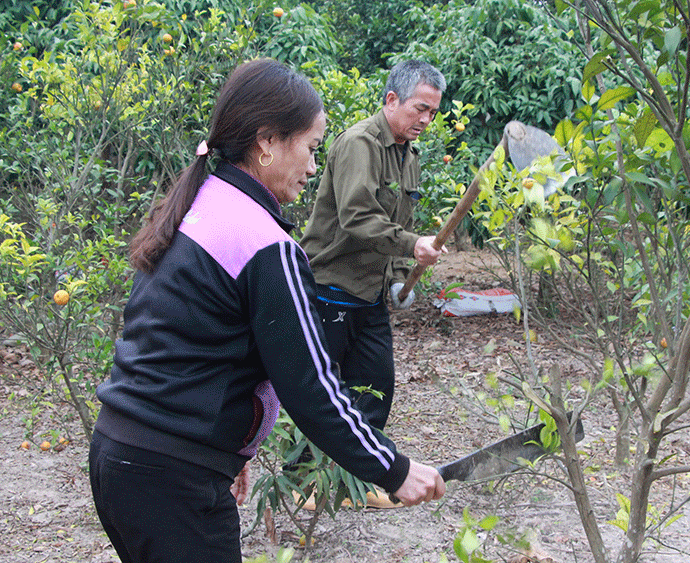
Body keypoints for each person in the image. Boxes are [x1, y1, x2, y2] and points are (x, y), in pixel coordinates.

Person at [88, 59, 445, 563]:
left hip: (123, 456)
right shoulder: (265, 245)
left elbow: (179, 338)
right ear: (267, 142)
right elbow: (311, 385)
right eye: (311, 148)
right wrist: (393, 468)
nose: (314, 167)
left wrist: (230, 446)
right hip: (172, 479)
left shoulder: (200, 204)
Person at [299, 60, 447, 431]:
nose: (426, 119)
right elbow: (358, 216)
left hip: (372, 294)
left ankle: (354, 482)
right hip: (331, 289)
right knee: (322, 397)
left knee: (375, 392)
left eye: (433, 111)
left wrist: (399, 277)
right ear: (392, 99)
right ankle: (304, 485)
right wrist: (413, 247)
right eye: (421, 108)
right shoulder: (359, 143)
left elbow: (402, 221)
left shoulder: (408, 153)